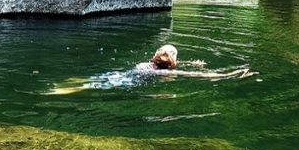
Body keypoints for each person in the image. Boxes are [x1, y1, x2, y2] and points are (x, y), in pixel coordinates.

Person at [47, 44, 254, 95]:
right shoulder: (166, 73)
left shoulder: (146, 64)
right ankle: (65, 89)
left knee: (96, 79)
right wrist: (232, 74)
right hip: (126, 82)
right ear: (173, 62)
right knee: (90, 86)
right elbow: (202, 76)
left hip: (120, 75)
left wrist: (192, 62)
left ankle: (70, 82)